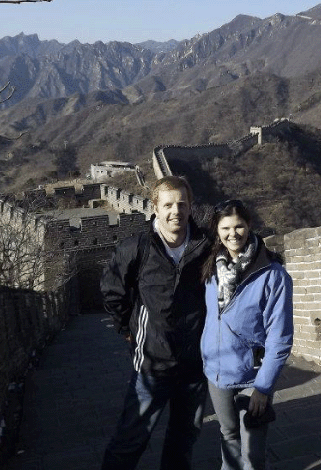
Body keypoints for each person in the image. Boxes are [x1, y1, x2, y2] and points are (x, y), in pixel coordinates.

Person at [100, 175, 211, 470]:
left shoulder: (205, 246)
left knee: (183, 439)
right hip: (152, 362)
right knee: (131, 438)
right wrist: (128, 330)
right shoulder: (136, 248)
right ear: (155, 207)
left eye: (182, 204)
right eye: (168, 204)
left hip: (195, 364)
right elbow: (112, 291)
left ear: (190, 208)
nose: (176, 211)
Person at [200, 199, 294, 470]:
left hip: (253, 376)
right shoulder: (211, 269)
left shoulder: (272, 274)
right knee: (228, 437)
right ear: (217, 230)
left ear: (249, 225)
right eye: (226, 228)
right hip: (217, 371)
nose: (233, 234)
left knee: (252, 453)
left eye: (239, 226)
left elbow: (280, 337)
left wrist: (264, 388)